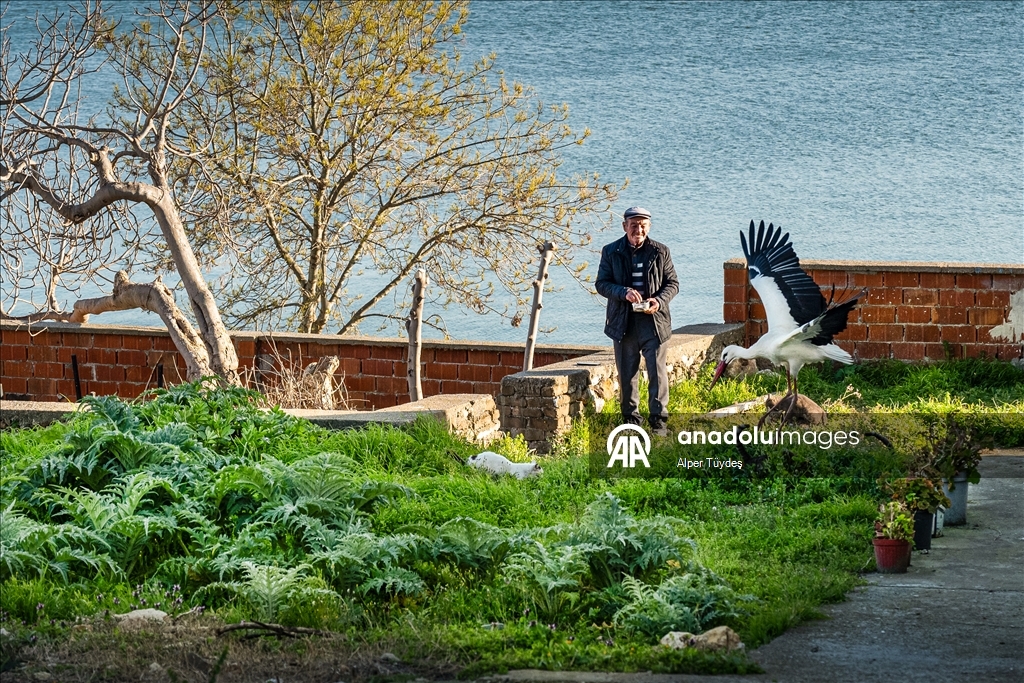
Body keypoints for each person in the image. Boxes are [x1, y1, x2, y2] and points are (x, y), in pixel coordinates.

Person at [596, 206, 679, 435]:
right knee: (627, 374)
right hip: (623, 323)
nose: (638, 229)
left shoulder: (661, 251)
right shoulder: (611, 251)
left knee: (657, 372)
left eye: (643, 225)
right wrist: (624, 292)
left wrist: (658, 301)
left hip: (654, 323)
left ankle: (659, 422)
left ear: (649, 226)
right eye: (634, 225)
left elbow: (673, 284)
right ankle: (631, 421)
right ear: (625, 226)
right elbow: (601, 284)